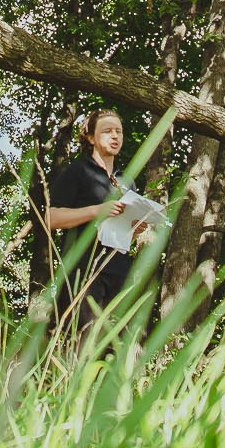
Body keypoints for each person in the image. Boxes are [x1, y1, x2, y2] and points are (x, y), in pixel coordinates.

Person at [40, 106, 153, 329]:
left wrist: (134, 227)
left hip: (120, 272)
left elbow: (120, 234)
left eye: (119, 131)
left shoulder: (126, 181)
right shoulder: (77, 171)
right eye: (107, 131)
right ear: (90, 137)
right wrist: (97, 211)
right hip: (84, 272)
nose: (115, 136)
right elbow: (50, 218)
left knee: (115, 349)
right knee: (84, 346)